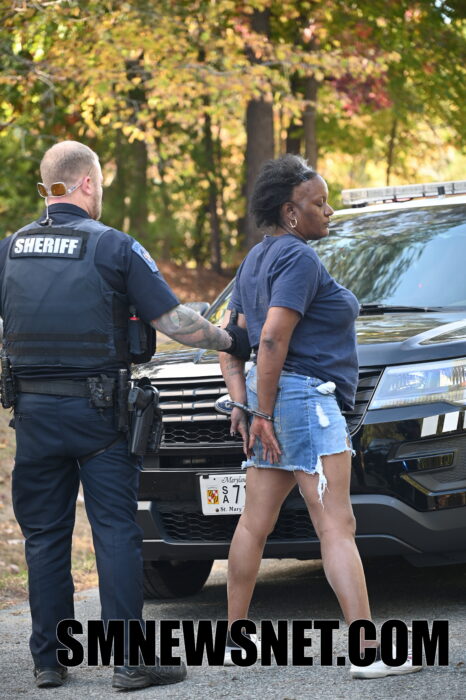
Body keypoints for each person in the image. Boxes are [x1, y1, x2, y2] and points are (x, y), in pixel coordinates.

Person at [0, 140, 250, 690]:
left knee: (44, 537)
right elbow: (176, 322)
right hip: (101, 416)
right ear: (86, 183)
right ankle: (130, 661)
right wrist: (231, 339)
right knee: (115, 532)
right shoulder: (113, 247)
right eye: (100, 185)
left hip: (35, 416)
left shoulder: (10, 249)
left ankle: (48, 661)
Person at [219, 154, 422, 679]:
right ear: (290, 212)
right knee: (337, 524)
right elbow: (269, 338)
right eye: (319, 203)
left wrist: (247, 405)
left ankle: (234, 641)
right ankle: (368, 653)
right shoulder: (299, 260)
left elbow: (229, 342)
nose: (328, 211)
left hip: (276, 404)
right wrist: (259, 411)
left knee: (253, 525)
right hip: (306, 401)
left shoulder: (254, 261)